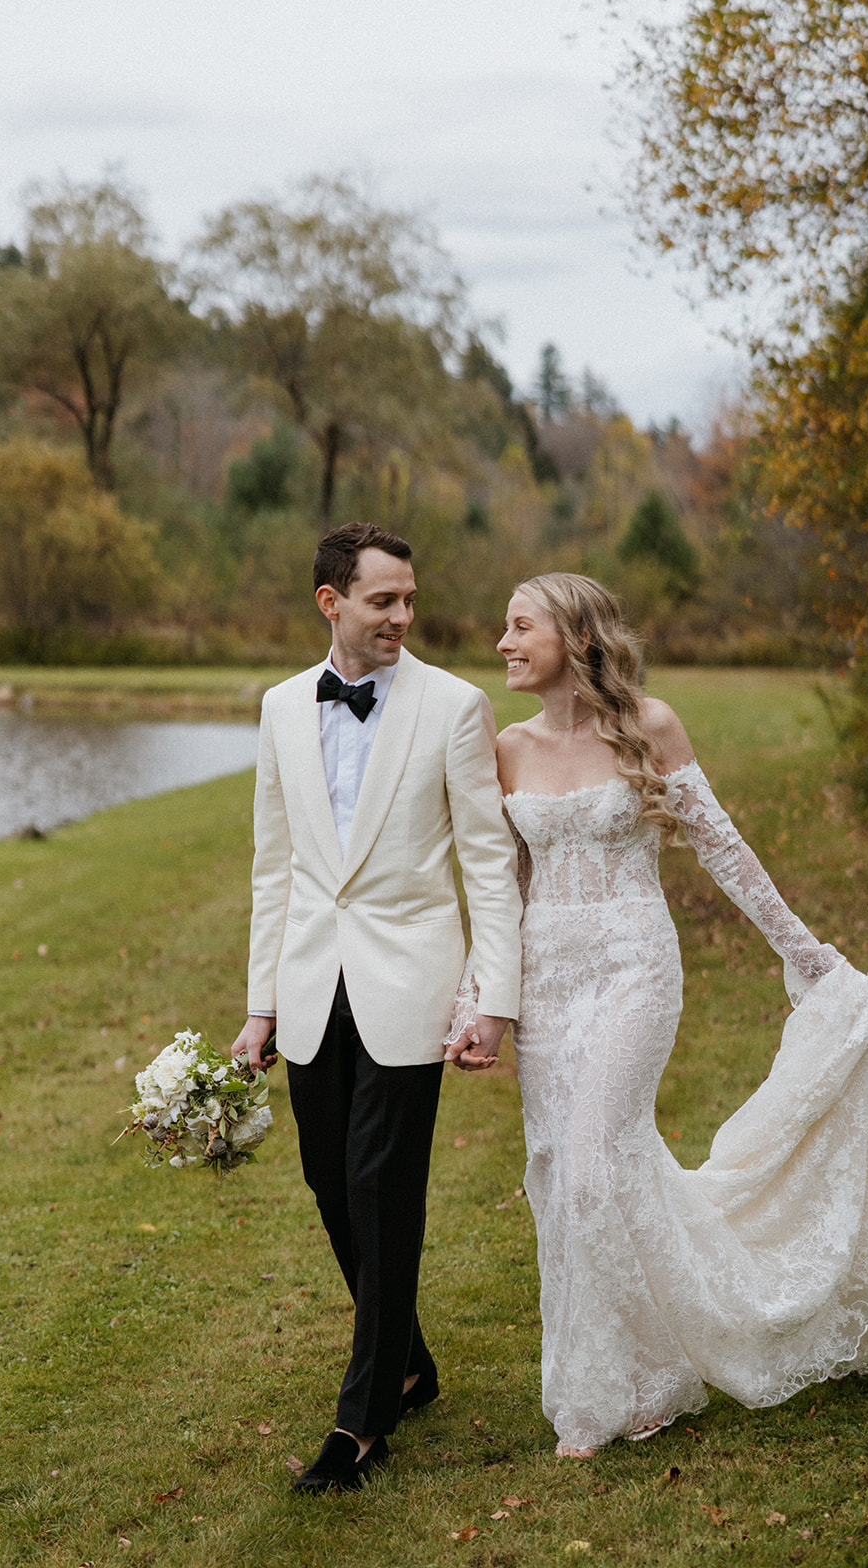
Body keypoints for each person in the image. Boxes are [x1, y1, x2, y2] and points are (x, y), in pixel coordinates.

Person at [445, 571, 868, 1458]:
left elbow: (723, 847)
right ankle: (610, 1379)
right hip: (545, 985)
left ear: (574, 639)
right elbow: (505, 891)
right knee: (555, 1174)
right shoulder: (507, 747)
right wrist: (474, 1001)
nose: (501, 642)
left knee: (590, 1164)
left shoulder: (648, 726)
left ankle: (641, 1385)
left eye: (518, 626)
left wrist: (802, 950)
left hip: (632, 971)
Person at [233, 522, 522, 1492]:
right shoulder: (280, 708)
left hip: (412, 980)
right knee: (327, 1178)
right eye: (382, 600)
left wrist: (492, 997)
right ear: (332, 603)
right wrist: (260, 1004)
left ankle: (359, 1423)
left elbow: (485, 860)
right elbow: (273, 864)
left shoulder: (454, 705)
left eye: (408, 599)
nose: (403, 616)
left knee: (379, 1186)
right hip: (312, 983)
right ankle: (407, 1358)